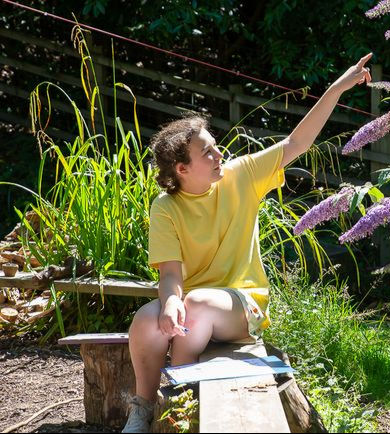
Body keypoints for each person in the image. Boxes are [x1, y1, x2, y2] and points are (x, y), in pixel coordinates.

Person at [121, 53, 373, 433]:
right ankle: (143, 409)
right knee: (145, 321)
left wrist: (337, 87)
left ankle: (181, 413)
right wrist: (169, 302)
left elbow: (297, 142)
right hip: (196, 307)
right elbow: (171, 274)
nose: (219, 153)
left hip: (241, 306)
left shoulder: (241, 175)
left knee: (196, 304)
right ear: (182, 170)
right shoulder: (165, 208)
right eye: (207, 152)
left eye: (214, 145)